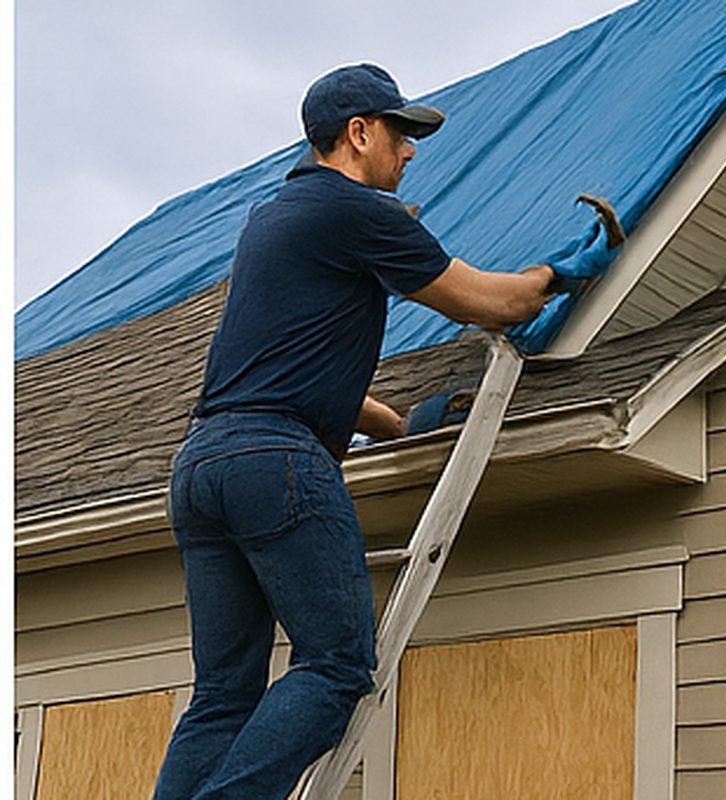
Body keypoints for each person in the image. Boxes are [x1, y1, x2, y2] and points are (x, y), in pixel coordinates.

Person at [153, 63, 556, 799]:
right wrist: (554, 275)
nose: (410, 152)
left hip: (204, 462)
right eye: (400, 134)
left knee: (223, 693)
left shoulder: (273, 217)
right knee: (336, 665)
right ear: (359, 133)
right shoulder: (353, 209)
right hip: (276, 463)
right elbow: (484, 303)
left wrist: (392, 421)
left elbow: (278, 359)